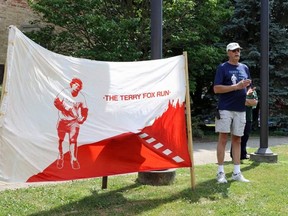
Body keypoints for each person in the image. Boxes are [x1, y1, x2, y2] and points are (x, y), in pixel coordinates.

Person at [213, 42, 252, 183]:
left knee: (237, 139)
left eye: (238, 50)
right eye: (234, 50)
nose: (237, 52)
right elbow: (216, 89)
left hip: (241, 109)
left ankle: (236, 172)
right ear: (228, 52)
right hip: (225, 108)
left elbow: (249, 87)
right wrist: (236, 87)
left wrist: (251, 96)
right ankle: (221, 173)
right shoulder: (223, 68)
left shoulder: (245, 68)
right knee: (223, 139)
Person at [54, 78, 88, 170]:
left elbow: (85, 110)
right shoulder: (64, 92)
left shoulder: (81, 97)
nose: (77, 87)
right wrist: (65, 109)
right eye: (76, 85)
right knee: (61, 140)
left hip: (74, 122)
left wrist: (83, 118)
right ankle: (60, 157)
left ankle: (73, 158)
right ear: (71, 84)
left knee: (73, 140)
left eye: (79, 86)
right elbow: (56, 102)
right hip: (62, 120)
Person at [230, 87, 258, 160]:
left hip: (248, 117)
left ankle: (243, 154)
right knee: (237, 136)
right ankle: (234, 155)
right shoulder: (238, 89)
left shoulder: (252, 91)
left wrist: (245, 101)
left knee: (245, 136)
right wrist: (247, 100)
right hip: (237, 116)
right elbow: (236, 101)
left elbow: (254, 103)